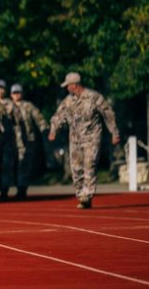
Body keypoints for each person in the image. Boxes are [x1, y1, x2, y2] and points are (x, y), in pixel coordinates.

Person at [49, 73, 120, 209]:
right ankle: (81, 195)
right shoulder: (68, 101)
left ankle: (87, 196)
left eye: (68, 86)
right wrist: (54, 130)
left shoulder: (94, 97)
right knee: (76, 169)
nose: (67, 88)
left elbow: (108, 114)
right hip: (75, 140)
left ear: (74, 85)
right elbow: (58, 116)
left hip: (92, 138)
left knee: (89, 165)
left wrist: (114, 133)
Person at [11, 84, 48, 199]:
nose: (17, 95)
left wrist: (45, 129)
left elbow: (38, 118)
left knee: (25, 165)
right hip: (11, 140)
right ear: (11, 95)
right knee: (11, 165)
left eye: (19, 92)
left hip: (27, 140)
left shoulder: (28, 106)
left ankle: (22, 188)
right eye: (14, 93)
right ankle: (5, 189)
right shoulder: (7, 106)